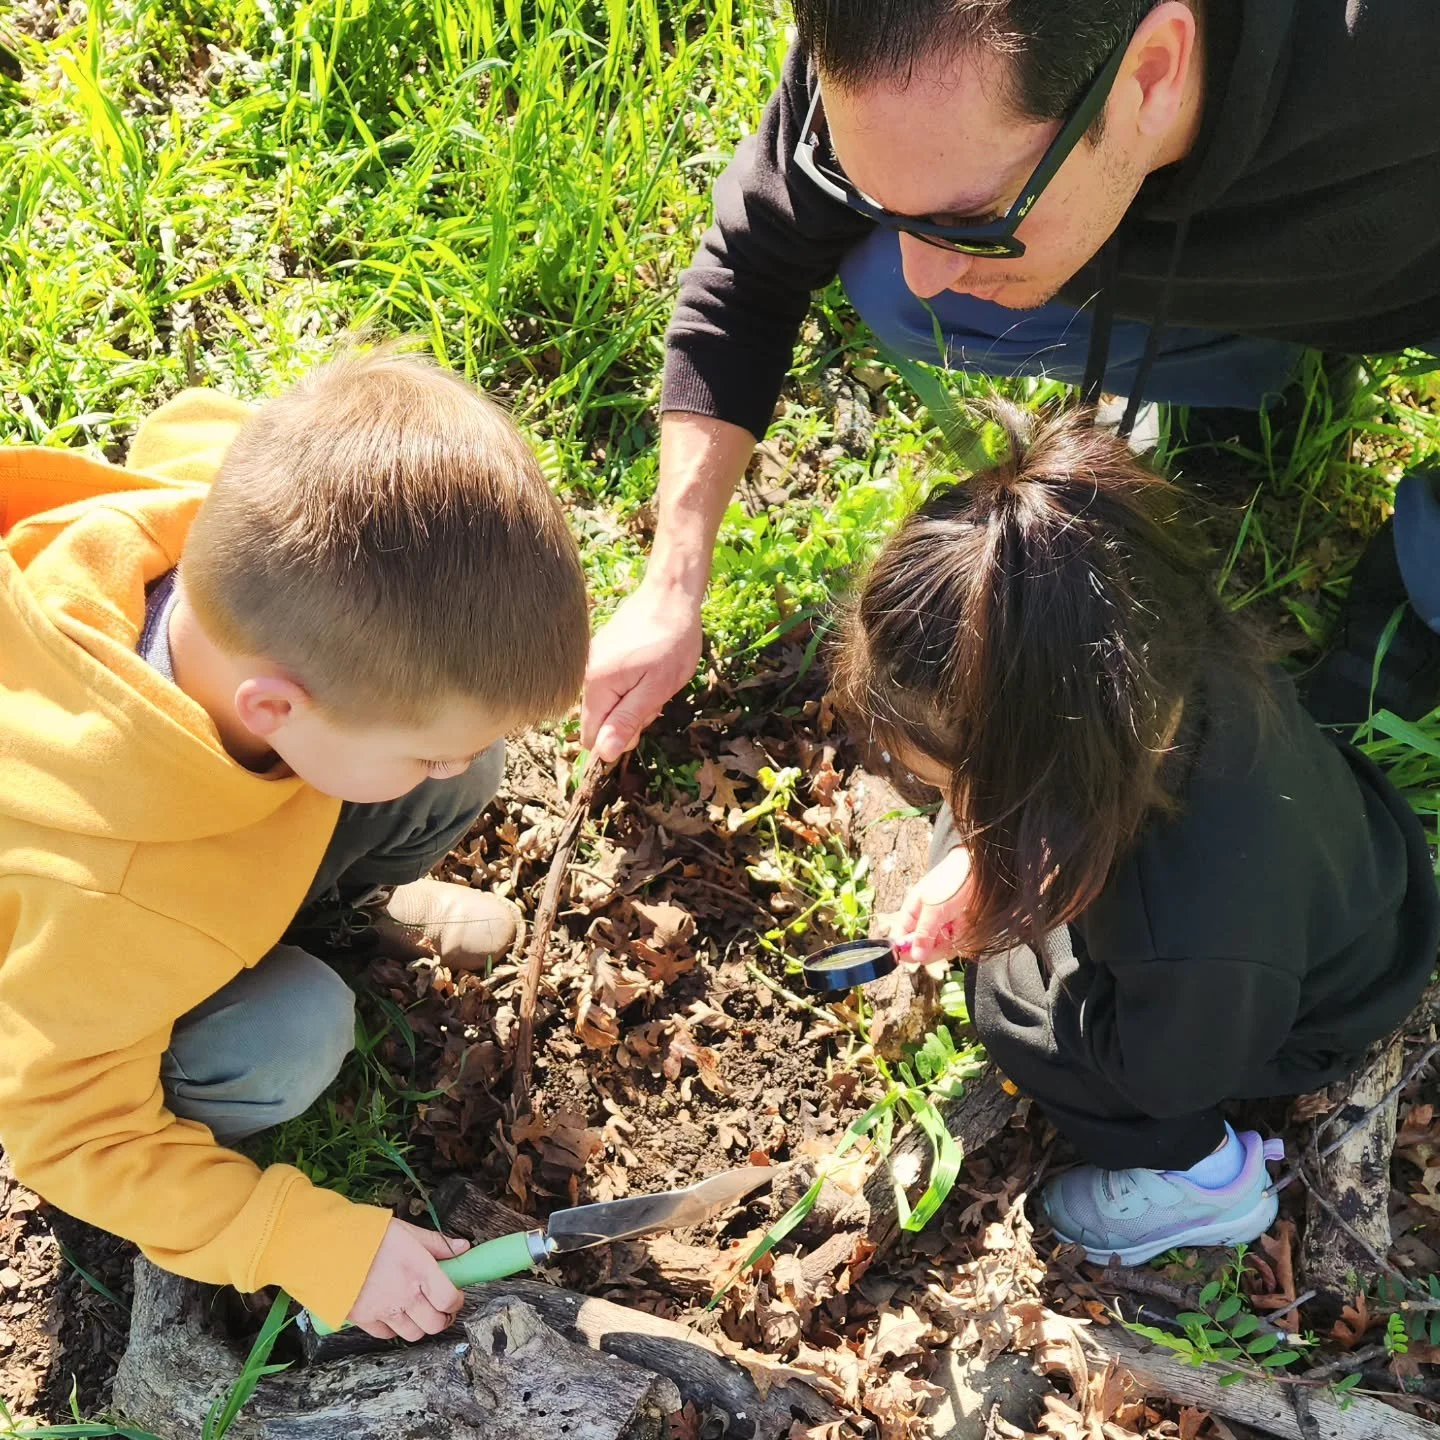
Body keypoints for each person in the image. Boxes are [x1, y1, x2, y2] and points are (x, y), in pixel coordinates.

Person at [582, 0, 1440, 759]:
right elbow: (749, 267)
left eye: (971, 221)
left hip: (1407, 282)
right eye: (878, 198)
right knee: (885, 286)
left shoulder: (1398, 57)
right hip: (1252, 253)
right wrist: (672, 584)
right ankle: (1245, 378)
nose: (926, 271)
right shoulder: (904, 45)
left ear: (1152, 72)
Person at [0, 347, 590, 1337]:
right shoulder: (108, 893)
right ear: (273, 708)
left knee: (462, 776)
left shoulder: (236, 517)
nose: (450, 763)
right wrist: (304, 1240)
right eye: (423, 750)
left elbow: (195, 415)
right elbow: (70, 1133)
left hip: (209, 858)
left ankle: (328, 907)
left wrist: (424, 753)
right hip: (73, 992)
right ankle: (235, 1015)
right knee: (289, 1037)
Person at [829, 401, 1438, 1264]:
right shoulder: (1155, 649)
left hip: (1299, 1008)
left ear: (1048, 774)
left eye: (957, 784)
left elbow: (1168, 1071)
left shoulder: (1184, 928)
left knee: (1009, 1003)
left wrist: (1009, 905)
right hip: (1344, 871)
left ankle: (1206, 1181)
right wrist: (975, 856)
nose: (947, 798)